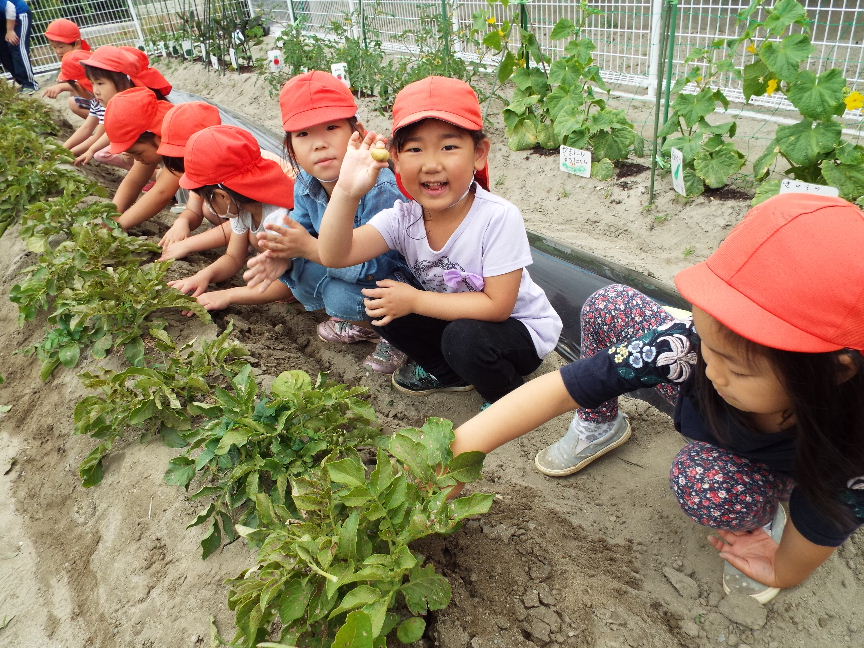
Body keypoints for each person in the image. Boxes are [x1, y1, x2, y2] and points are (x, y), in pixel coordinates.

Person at [451, 193, 864, 603]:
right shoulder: (689, 351)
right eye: (706, 340)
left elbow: (827, 518)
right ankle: (600, 425)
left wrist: (784, 567)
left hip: (783, 467)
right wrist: (459, 451)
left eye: (738, 369)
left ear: (836, 371)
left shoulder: (850, 444)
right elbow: (561, 389)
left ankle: (759, 516)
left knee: (705, 482)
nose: (713, 371)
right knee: (610, 306)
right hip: (711, 407)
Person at [316, 76, 562, 403]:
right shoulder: (403, 218)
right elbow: (335, 254)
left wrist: (415, 301)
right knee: (382, 304)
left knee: (464, 338)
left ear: (479, 154)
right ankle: (448, 373)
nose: (432, 165)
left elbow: (498, 307)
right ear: (396, 158)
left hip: (517, 332)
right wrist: (347, 191)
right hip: (457, 320)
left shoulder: (497, 217)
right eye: (415, 149)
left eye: (449, 147)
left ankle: (506, 397)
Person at [244, 70, 411, 374]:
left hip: (398, 282)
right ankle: (367, 326)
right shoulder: (307, 183)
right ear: (291, 147)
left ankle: (399, 337)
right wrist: (282, 255)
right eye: (303, 134)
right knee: (298, 272)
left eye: (331, 127)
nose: (318, 144)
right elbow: (300, 228)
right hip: (352, 271)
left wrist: (309, 248)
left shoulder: (380, 187)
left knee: (338, 295)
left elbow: (379, 266)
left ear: (357, 133)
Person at [168, 125, 296, 310]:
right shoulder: (243, 209)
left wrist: (228, 295)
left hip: (305, 278)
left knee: (259, 240)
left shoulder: (279, 219)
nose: (207, 205)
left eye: (207, 199)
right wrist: (203, 276)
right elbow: (233, 257)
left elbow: (288, 287)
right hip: (280, 265)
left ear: (222, 196)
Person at [76, 45, 172, 169]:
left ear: (124, 81)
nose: (95, 91)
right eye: (92, 83)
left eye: (100, 83)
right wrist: (91, 150)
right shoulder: (126, 105)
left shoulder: (138, 109)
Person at [153, 101, 228, 249]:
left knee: (209, 208)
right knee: (206, 208)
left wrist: (190, 245)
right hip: (235, 225)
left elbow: (241, 225)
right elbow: (193, 211)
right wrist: (182, 222)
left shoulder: (232, 172)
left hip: (261, 230)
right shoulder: (200, 171)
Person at [102, 86, 178, 230]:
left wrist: (118, 225)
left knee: (163, 177)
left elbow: (162, 193)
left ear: (158, 137)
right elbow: (134, 181)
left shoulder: (179, 145)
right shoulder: (153, 140)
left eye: (138, 153)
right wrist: (112, 215)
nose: (136, 159)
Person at [42, 18, 91, 117]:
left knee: (74, 102)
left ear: (77, 43)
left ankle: (106, 122)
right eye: (54, 47)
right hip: (101, 100)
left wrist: (62, 86)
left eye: (61, 47)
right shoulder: (81, 55)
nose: (58, 51)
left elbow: (89, 89)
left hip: (107, 102)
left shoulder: (81, 61)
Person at [1, 0, 37, 93]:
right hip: (3, 19)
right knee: (3, 53)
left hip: (18, 14)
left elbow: (10, 7)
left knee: (17, 46)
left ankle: (30, 84)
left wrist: (10, 30)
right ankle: (22, 82)